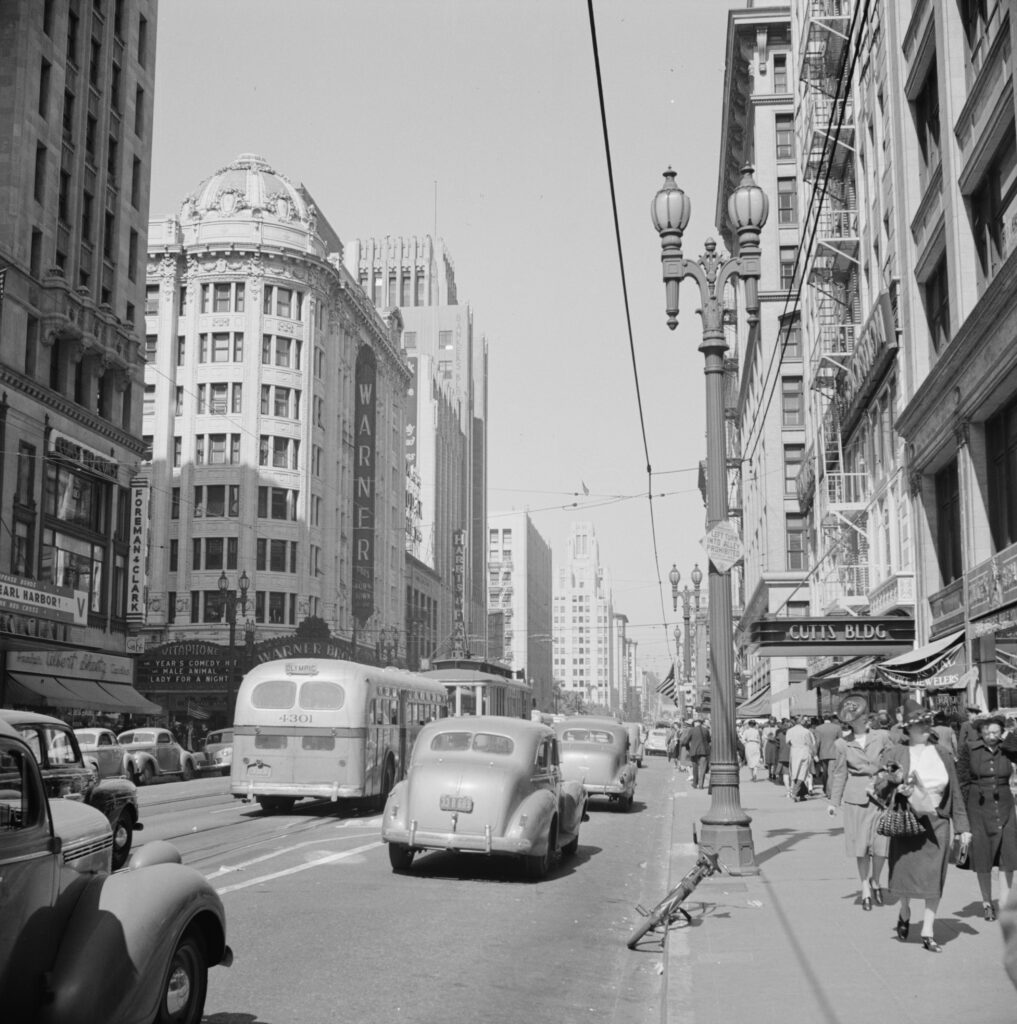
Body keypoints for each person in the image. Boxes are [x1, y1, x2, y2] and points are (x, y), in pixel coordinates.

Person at [879, 700, 972, 952]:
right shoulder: (895, 753)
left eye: (925, 723)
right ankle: (905, 910)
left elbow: (955, 791)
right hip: (907, 822)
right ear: (907, 729)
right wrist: (894, 783)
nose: (923, 727)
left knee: (934, 878)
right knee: (905, 874)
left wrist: (963, 827)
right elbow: (879, 787)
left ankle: (928, 931)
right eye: (917, 724)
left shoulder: (942, 753)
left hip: (937, 822)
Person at [828, 695, 891, 911]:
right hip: (856, 799)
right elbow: (839, 774)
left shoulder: (882, 737)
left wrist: (881, 774)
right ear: (850, 721)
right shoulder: (842, 744)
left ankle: (876, 880)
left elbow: (893, 762)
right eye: (857, 716)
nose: (863, 718)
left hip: (881, 797)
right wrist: (833, 802)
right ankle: (865, 887)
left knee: (881, 846)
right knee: (860, 847)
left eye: (863, 715)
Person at [955, 714, 1017, 921]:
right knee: (983, 856)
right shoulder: (969, 748)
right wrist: (962, 816)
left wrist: (1007, 737)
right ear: (980, 732)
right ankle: (987, 903)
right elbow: (962, 781)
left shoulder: (1007, 748)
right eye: (987, 732)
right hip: (977, 807)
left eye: (996, 732)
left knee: (1008, 856)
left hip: (1005, 805)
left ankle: (1005, 903)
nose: (991, 736)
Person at [786, 715, 816, 801]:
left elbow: (787, 742)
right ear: (802, 722)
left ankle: (802, 794)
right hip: (804, 752)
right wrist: (814, 754)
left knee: (795, 773)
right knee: (802, 774)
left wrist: (794, 747)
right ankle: (795, 792)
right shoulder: (806, 731)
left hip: (794, 752)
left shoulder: (790, 731)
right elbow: (811, 744)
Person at [814, 714, 842, 798]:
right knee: (831, 773)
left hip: (822, 753)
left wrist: (815, 753)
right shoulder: (837, 727)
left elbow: (817, 742)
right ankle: (829, 792)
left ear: (823, 719)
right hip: (834, 753)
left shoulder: (818, 728)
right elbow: (841, 741)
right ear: (831, 719)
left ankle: (826, 789)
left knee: (825, 773)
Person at [686, 718, 711, 789]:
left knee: (695, 768)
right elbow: (709, 740)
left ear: (694, 724)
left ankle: (695, 783)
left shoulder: (692, 730)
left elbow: (686, 741)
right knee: (702, 769)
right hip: (704, 752)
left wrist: (688, 748)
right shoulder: (706, 730)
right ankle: (701, 785)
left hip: (694, 752)